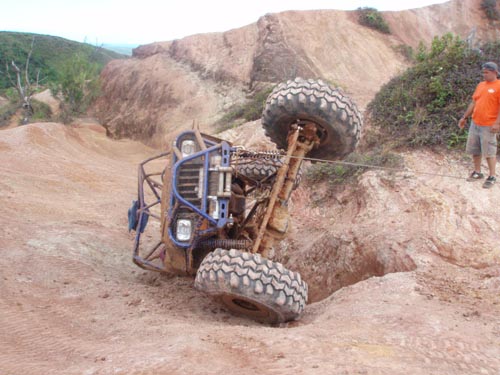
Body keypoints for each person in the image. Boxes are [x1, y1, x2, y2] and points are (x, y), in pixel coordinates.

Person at [458, 61, 500, 189]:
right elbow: (473, 102)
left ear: (494, 72)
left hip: (489, 125)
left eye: (486, 72)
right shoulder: (481, 85)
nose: (484, 75)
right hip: (475, 123)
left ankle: (492, 176)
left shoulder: (499, 86)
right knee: (475, 150)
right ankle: (477, 172)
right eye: (483, 72)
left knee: (489, 151)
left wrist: (497, 123)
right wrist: (464, 117)